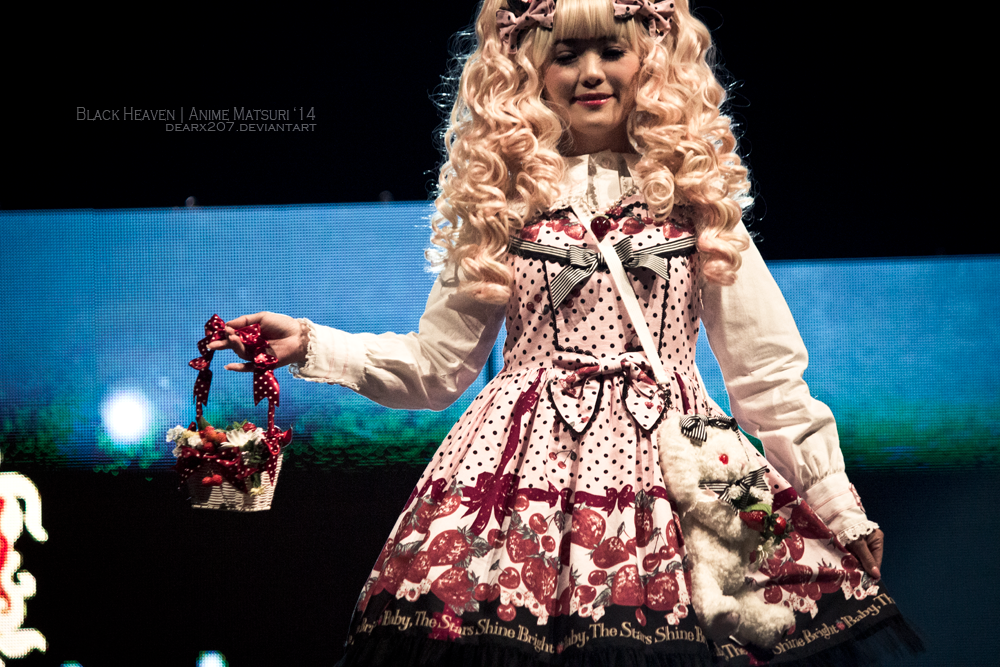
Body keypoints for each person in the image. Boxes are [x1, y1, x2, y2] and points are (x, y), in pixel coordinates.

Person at [211, 1, 922, 664]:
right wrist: (310, 343)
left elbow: (766, 376)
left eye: (611, 50)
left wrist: (836, 504)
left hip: (671, 483)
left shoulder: (697, 202)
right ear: (531, 71)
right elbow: (436, 367)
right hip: (517, 489)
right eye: (566, 55)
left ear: (649, 61)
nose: (590, 73)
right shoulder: (503, 204)